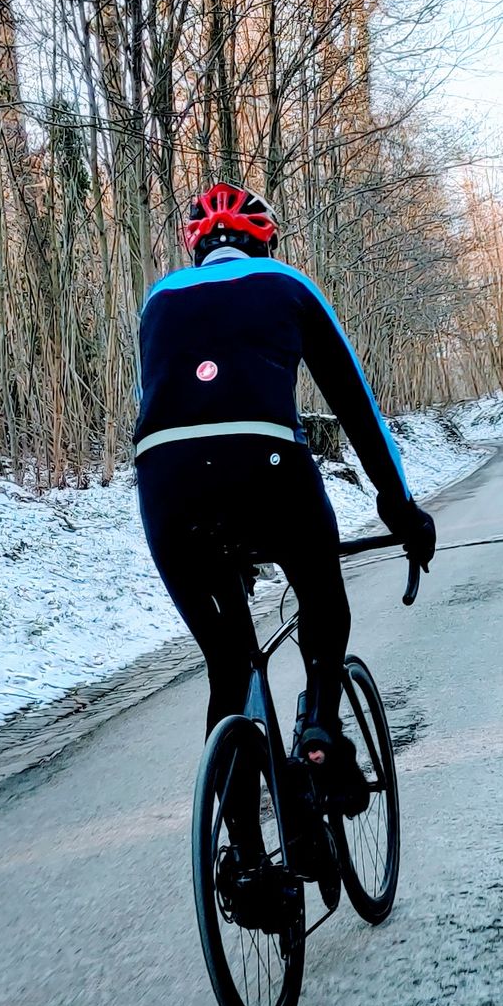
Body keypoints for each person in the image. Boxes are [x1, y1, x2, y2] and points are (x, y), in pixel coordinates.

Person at [135, 182, 437, 822]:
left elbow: (162, 406)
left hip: (167, 486)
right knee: (323, 598)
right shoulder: (285, 283)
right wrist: (399, 506)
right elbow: (357, 406)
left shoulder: (157, 301)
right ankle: (322, 724)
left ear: (197, 250)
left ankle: (242, 858)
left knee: (228, 665)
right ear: (262, 240)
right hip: (268, 473)